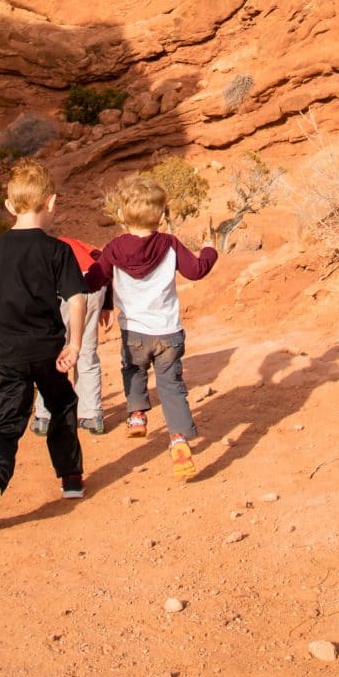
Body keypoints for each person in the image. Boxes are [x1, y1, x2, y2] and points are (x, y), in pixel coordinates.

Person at [0, 158, 86, 533]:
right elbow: (77, 299)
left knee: (7, 425)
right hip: (48, 353)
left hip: (4, 356)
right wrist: (74, 344)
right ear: (52, 202)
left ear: (10, 206)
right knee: (62, 406)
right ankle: (71, 479)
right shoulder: (58, 250)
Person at [85, 172, 218, 482]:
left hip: (134, 332)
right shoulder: (169, 244)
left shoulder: (115, 248)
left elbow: (93, 280)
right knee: (171, 387)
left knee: (133, 370)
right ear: (160, 216)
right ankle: (179, 441)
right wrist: (210, 249)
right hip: (168, 332)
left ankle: (136, 415)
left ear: (121, 215)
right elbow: (197, 270)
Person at [32, 232, 108, 437]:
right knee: (87, 351)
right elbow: (102, 259)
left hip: (68, 291)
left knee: (54, 353)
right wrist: (107, 304)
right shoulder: (75, 242)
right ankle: (92, 415)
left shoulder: (41, 248)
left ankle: (45, 416)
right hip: (94, 288)